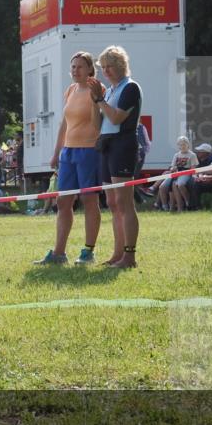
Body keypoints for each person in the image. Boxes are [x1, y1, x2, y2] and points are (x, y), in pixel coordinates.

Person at [34, 52, 104, 265]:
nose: (75, 70)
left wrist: (95, 100)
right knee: (63, 201)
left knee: (89, 200)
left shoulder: (98, 89)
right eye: (73, 66)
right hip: (68, 152)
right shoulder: (71, 90)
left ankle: (88, 251)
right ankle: (59, 253)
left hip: (89, 151)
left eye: (80, 66)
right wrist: (57, 152)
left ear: (90, 69)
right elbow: (64, 124)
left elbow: (98, 123)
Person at [90, 45, 142, 268]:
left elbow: (117, 118)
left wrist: (100, 100)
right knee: (112, 202)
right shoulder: (110, 91)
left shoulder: (130, 88)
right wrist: (95, 101)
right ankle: (117, 253)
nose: (106, 71)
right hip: (106, 145)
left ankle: (129, 256)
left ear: (121, 65)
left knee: (123, 201)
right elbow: (97, 125)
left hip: (123, 145)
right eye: (103, 67)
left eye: (109, 66)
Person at [155, 136, 198, 211]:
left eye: (184, 144)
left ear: (188, 145)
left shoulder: (192, 155)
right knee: (162, 187)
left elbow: (193, 168)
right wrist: (173, 168)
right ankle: (165, 206)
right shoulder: (176, 155)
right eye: (180, 145)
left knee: (180, 184)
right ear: (178, 146)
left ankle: (187, 201)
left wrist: (193, 175)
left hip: (186, 173)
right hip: (176, 173)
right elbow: (172, 166)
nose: (182, 146)